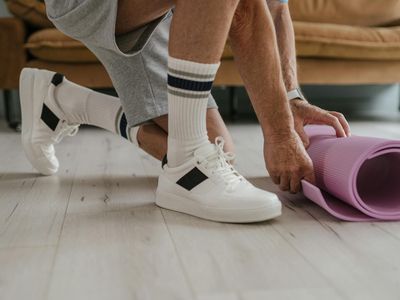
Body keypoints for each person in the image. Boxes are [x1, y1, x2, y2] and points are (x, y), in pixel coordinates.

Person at [19, 0, 351, 223]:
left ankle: (61, 102)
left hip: (169, 11)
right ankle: (186, 163)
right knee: (195, 156)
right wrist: (279, 134)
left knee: (220, 151)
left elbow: (273, 9)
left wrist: (292, 99)